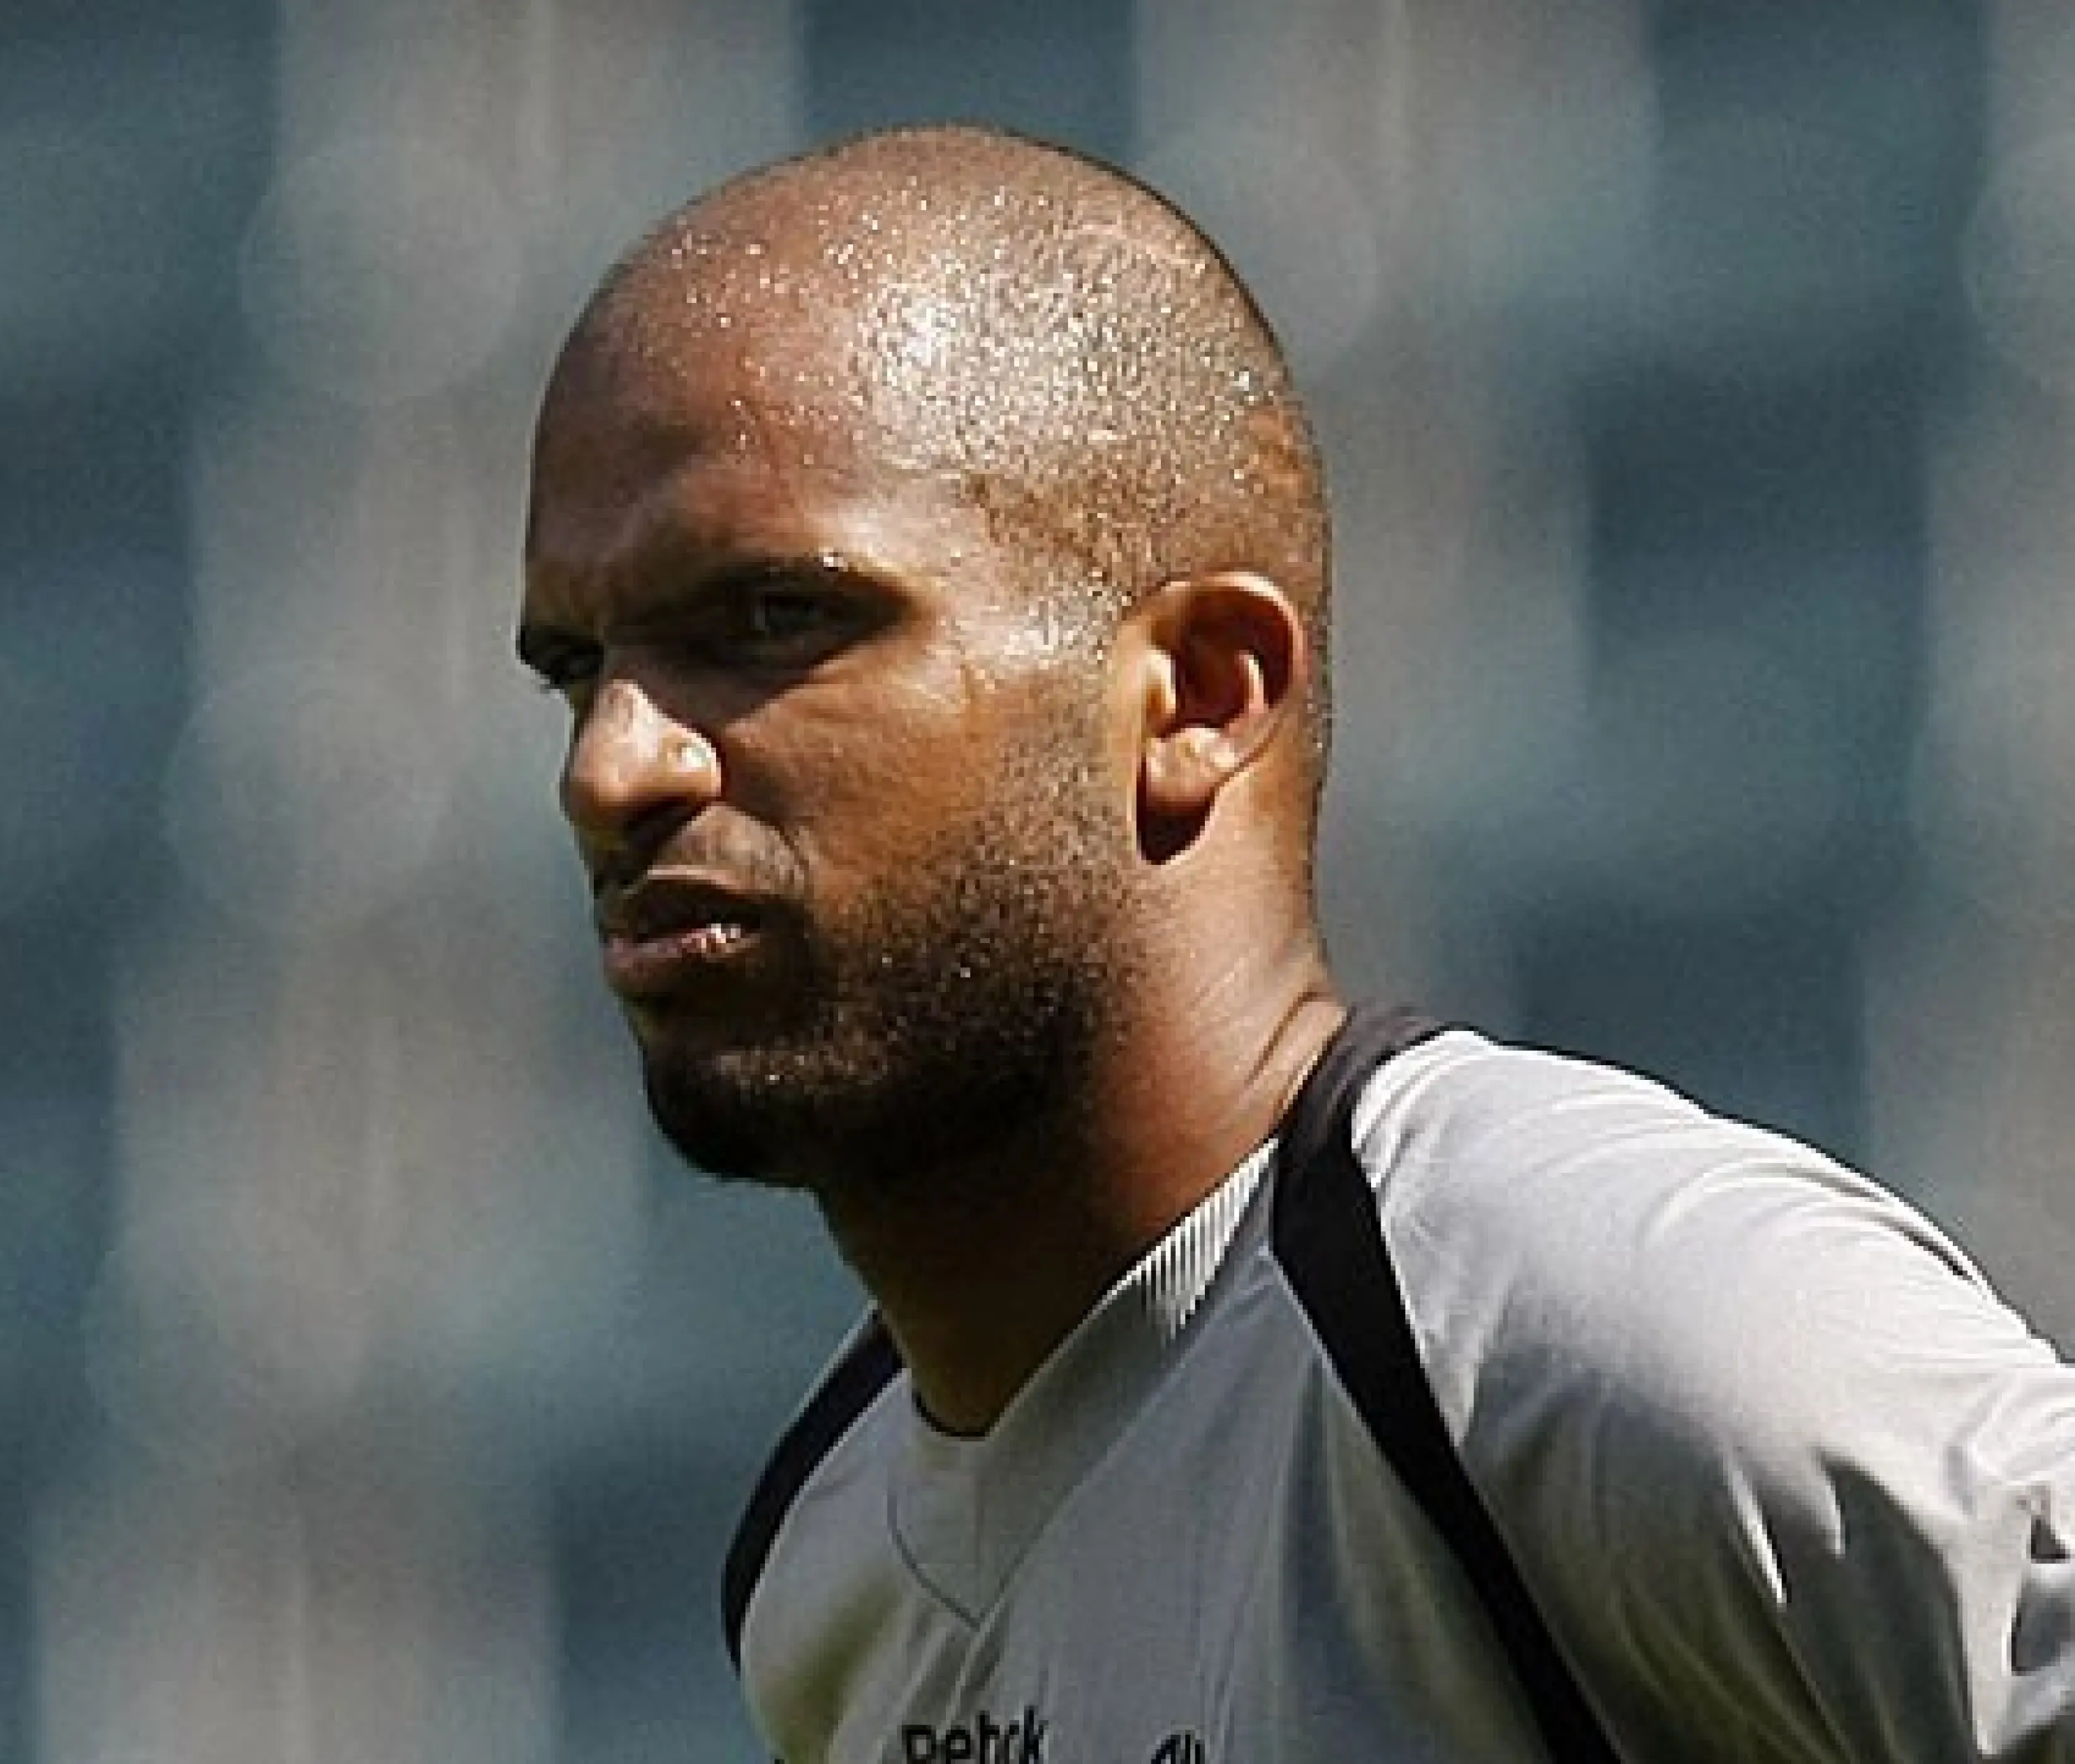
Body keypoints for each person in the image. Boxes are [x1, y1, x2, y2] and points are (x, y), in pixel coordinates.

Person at [515, 123, 2075, 1761]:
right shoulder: (828, 1564)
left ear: (1198, 693)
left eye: (774, 621)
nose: (612, 770)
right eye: (576, 668)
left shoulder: (1574, 1320)